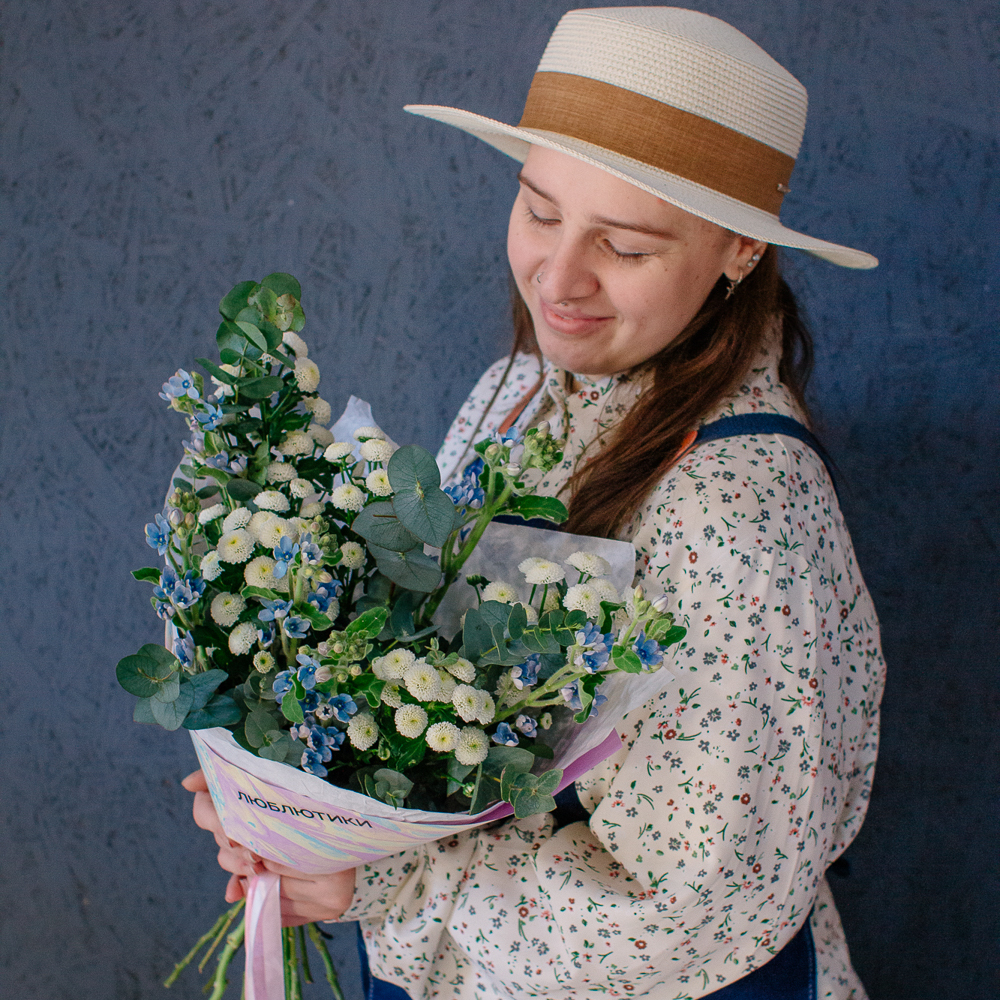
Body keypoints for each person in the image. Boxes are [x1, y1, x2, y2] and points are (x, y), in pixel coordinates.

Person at [185, 7, 885, 999]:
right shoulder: (515, 387)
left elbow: (680, 921)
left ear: (735, 250)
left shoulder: (739, 521)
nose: (558, 278)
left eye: (627, 245)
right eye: (539, 209)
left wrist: (371, 878)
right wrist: (292, 805)